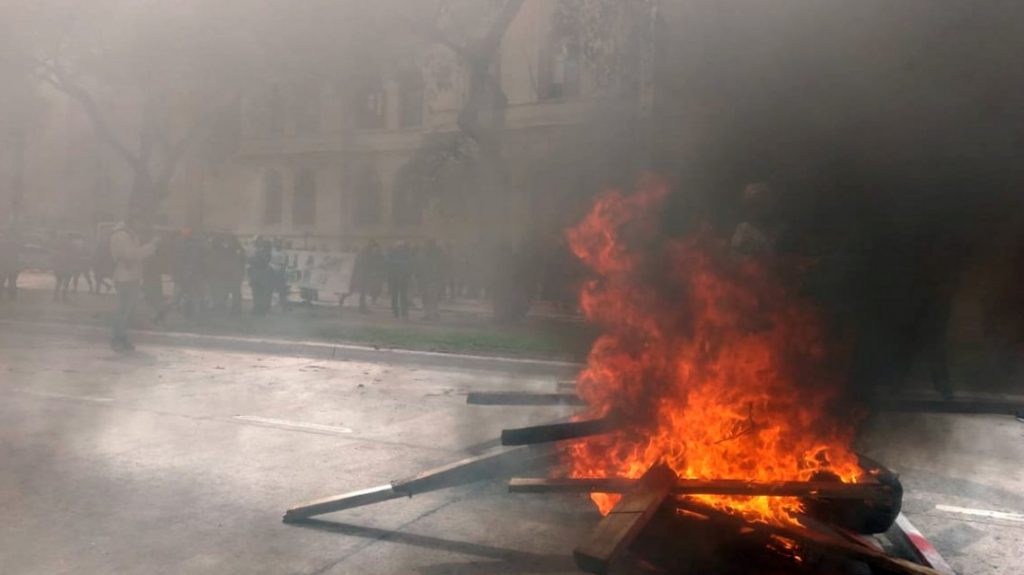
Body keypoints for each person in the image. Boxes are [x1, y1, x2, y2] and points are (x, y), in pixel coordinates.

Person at [109, 212, 159, 351]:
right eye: (140, 221)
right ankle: (118, 338)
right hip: (126, 276)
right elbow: (131, 255)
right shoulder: (122, 235)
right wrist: (151, 246)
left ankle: (120, 336)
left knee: (126, 310)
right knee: (123, 310)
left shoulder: (125, 234)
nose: (141, 224)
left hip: (128, 275)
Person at [351, 240, 383, 313]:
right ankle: (362, 307)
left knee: (363, 291)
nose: (375, 249)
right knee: (363, 291)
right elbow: (365, 263)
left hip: (364, 273)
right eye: (375, 247)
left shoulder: (366, 251)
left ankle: (362, 306)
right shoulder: (366, 252)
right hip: (364, 274)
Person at [418, 239, 445, 321]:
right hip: (432, 279)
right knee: (432, 297)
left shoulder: (426, 254)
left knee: (428, 297)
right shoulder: (438, 253)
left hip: (429, 279)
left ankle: (429, 314)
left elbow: (421, 265)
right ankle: (434, 313)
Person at [387, 241, 413, 319]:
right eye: (399, 247)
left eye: (401, 247)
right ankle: (395, 311)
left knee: (403, 296)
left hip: (403, 277)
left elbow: (409, 264)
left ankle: (404, 312)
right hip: (394, 277)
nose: (400, 248)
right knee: (394, 295)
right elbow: (388, 263)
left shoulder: (406, 254)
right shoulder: (392, 254)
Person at [247, 238, 273, 316]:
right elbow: (250, 260)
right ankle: (257, 308)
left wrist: (254, 258)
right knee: (256, 293)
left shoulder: (266, 253)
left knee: (261, 293)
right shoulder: (258, 252)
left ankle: (261, 310)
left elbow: (262, 262)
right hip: (256, 275)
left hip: (262, 275)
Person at [52, 233, 75, 302]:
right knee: (65, 283)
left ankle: (56, 297)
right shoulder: (69, 249)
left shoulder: (58, 249)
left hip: (59, 269)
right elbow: (71, 259)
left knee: (59, 283)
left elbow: (54, 259)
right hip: (66, 269)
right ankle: (63, 297)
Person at [0, 228, 20, 300]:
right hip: (12, 266)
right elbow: (17, 257)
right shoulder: (15, 244)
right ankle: (12, 296)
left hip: (4, 266)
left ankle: (5, 295)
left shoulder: (2, 244)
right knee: (12, 282)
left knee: (2, 281)